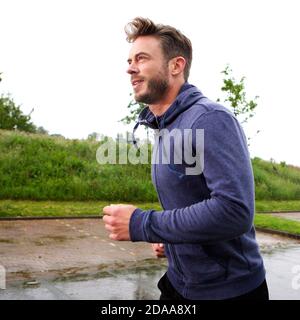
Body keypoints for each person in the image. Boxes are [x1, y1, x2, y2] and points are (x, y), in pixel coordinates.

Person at [103, 17, 269, 300]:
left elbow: (234, 211)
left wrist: (143, 223)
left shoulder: (210, 119)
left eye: (141, 58)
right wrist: (172, 238)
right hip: (180, 283)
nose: (130, 68)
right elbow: (193, 202)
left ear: (176, 66)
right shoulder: (165, 127)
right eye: (130, 60)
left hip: (228, 291)